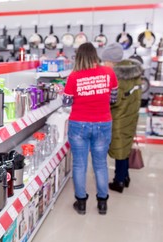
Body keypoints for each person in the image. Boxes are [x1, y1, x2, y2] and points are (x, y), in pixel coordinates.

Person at [62, 42, 118, 215]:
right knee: (100, 164)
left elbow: (66, 102)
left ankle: (81, 203)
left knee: (79, 165)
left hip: (79, 124)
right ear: (96, 55)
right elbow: (113, 98)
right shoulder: (109, 73)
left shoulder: (74, 76)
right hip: (103, 123)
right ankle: (102, 203)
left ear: (79, 57)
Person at [101, 43, 143, 193]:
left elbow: (114, 101)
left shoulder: (118, 77)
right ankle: (125, 176)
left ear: (112, 61)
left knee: (120, 149)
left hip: (119, 117)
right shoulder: (133, 72)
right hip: (131, 115)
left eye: (104, 60)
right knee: (125, 147)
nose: (103, 63)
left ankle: (118, 181)